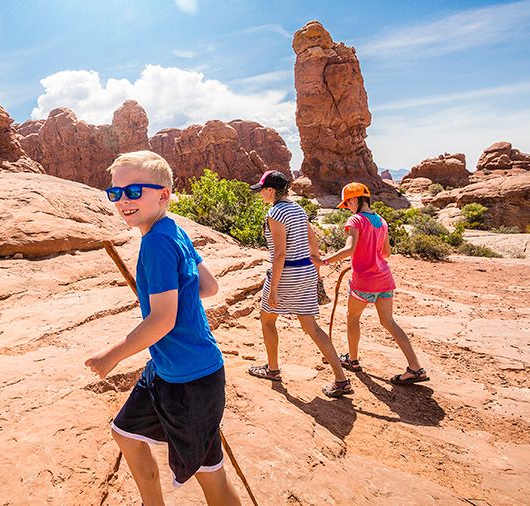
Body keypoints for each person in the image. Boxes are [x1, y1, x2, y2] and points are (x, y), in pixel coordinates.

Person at [85, 151, 241, 505]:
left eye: (134, 191)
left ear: (163, 194)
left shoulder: (156, 242)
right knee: (125, 432)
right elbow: (209, 286)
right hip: (168, 369)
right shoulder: (173, 229)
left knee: (211, 477)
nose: (123, 200)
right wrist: (179, 294)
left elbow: (162, 320)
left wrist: (112, 355)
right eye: (116, 193)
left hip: (191, 380)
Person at [246, 170, 353, 398]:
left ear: (271, 191)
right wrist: (317, 265)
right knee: (311, 327)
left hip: (287, 274)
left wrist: (273, 288)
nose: (260, 195)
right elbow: (312, 237)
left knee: (267, 319)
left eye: (262, 190)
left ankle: (272, 369)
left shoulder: (275, 213)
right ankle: (341, 379)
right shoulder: (298, 209)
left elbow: (280, 254)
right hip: (304, 272)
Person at [319, 182, 429, 384]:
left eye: (347, 204)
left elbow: (349, 249)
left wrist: (324, 261)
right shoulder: (381, 220)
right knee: (389, 322)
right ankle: (415, 367)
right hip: (385, 280)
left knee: (353, 318)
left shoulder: (355, 220)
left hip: (364, 282)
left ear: (354, 199)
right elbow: (386, 253)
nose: (348, 208)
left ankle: (352, 360)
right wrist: (370, 255)